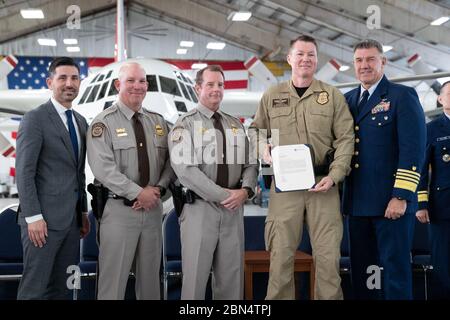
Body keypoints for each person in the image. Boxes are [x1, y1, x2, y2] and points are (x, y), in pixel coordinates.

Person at [249, 35, 355, 300]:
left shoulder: (331, 96)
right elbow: (255, 131)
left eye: (311, 55)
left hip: (323, 186)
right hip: (285, 189)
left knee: (328, 259)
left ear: (316, 60)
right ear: (289, 58)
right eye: (300, 54)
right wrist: (263, 148)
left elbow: (346, 139)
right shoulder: (272, 95)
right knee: (280, 258)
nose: (305, 59)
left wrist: (335, 176)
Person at [342, 39, 426, 300]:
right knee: (364, 274)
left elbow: (414, 149)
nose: (364, 65)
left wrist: (401, 195)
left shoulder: (402, 96)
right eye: (359, 60)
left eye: (370, 59)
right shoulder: (347, 100)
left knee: (394, 274)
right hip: (357, 205)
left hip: (391, 205)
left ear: (383, 62)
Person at [168, 65, 258, 300]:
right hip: (199, 210)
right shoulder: (184, 124)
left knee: (231, 280)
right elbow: (185, 170)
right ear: (198, 88)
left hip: (233, 212)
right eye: (210, 84)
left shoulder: (235, 125)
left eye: (220, 85)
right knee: (195, 281)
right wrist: (225, 195)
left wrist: (246, 191)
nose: (216, 89)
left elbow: (250, 163)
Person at [86, 62, 173, 300]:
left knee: (150, 287)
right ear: (118, 85)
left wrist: (158, 189)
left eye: (142, 81)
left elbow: (171, 162)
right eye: (131, 81)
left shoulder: (158, 123)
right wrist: (138, 193)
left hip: (153, 211)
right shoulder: (103, 123)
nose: (138, 86)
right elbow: (104, 169)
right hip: (118, 213)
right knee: (112, 286)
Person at [15, 57, 90, 299]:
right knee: (35, 290)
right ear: (50, 82)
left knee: (64, 290)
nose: (69, 83)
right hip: (42, 223)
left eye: (75, 78)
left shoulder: (80, 122)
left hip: (71, 225)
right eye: (63, 78)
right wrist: (33, 217)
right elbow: (25, 172)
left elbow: (78, 173)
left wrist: (82, 213)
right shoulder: (35, 119)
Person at [416, 80, 450, 299]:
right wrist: (421, 204)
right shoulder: (431, 129)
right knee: (443, 262)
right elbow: (420, 169)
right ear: (440, 99)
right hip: (442, 207)